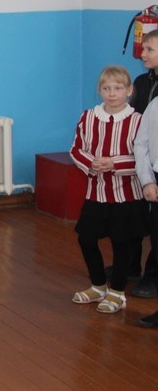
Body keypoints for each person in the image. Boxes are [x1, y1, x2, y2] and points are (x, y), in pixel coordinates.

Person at [69, 65, 148, 314]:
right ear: (99, 90)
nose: (112, 93)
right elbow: (76, 149)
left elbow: (144, 156)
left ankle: (117, 292)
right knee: (86, 237)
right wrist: (91, 163)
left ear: (129, 91)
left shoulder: (138, 120)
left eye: (118, 88)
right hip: (97, 192)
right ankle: (98, 285)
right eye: (106, 88)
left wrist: (115, 163)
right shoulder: (88, 117)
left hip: (128, 194)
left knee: (122, 243)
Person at [129, 30, 158, 298]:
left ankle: (151, 277)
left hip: (152, 160)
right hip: (142, 159)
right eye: (143, 48)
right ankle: (130, 266)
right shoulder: (141, 81)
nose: (142, 54)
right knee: (134, 213)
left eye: (149, 49)